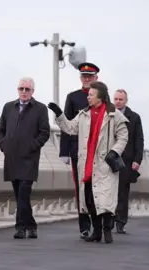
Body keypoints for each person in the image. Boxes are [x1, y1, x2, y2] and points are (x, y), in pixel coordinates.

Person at [48, 81, 129, 244]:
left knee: (104, 198)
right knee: (89, 198)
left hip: (105, 162)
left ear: (100, 96)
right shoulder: (84, 114)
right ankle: (97, 231)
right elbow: (70, 128)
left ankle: (107, 230)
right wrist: (60, 115)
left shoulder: (114, 114)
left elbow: (123, 136)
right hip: (86, 162)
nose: (88, 97)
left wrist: (114, 152)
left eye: (91, 94)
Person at [0, 77, 51, 239]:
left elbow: (44, 132)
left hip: (29, 158)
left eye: (27, 89)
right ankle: (31, 225)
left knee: (24, 192)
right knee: (18, 193)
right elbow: (0, 129)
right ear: (17, 90)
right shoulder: (8, 107)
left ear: (33, 91)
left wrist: (32, 146)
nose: (24, 92)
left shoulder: (40, 109)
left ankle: (20, 227)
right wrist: (4, 145)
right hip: (12, 157)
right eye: (21, 89)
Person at [59, 62, 100, 239]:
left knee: (97, 188)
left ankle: (100, 222)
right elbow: (66, 125)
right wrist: (64, 151)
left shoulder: (103, 98)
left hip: (98, 151)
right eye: (84, 77)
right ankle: (84, 225)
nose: (87, 79)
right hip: (78, 150)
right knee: (81, 188)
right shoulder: (73, 97)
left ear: (96, 78)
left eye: (90, 77)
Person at [112, 89, 144, 234]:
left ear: (126, 101)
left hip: (126, 159)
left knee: (123, 192)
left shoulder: (134, 117)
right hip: (109, 157)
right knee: (109, 190)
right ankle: (109, 219)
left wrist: (137, 160)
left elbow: (139, 139)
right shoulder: (108, 114)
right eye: (116, 99)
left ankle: (121, 221)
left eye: (121, 99)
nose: (118, 102)